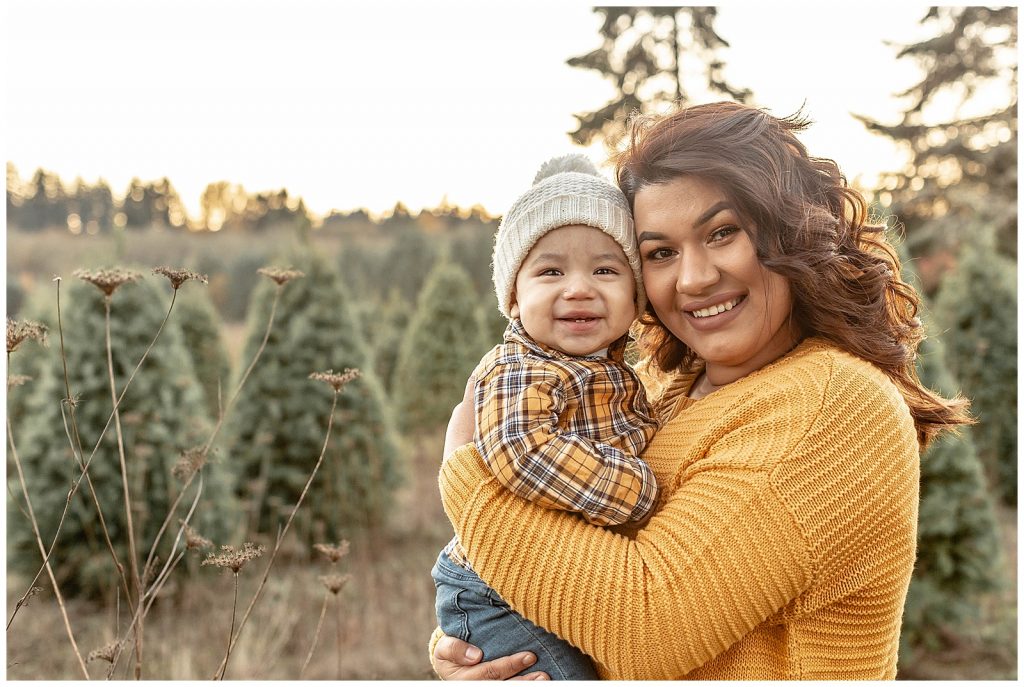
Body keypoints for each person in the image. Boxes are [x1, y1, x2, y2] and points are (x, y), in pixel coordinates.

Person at [430, 101, 972, 680]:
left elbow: (646, 629)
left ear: (790, 231)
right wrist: (487, 646)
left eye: (722, 233)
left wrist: (467, 476)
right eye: (660, 253)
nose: (692, 278)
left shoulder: (834, 406)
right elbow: (575, 585)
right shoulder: (662, 387)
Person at [431, 154, 661, 680]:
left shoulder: (615, 371)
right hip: (499, 593)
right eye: (551, 271)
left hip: (542, 579)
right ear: (514, 298)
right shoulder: (522, 368)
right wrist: (640, 491)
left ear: (635, 297)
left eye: (605, 270)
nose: (578, 287)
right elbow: (522, 450)